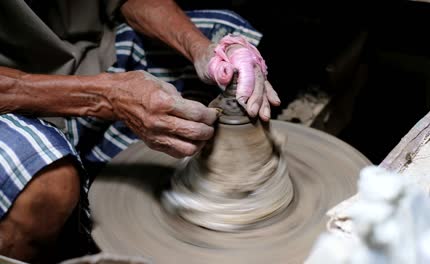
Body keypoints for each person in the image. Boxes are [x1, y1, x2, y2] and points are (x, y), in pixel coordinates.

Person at [0, 0, 280, 262]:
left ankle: (220, 182)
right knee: (47, 186)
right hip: (13, 92)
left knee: (226, 34)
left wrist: (205, 52)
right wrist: (106, 97)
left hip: (88, 54)